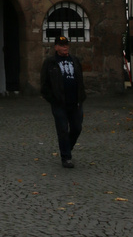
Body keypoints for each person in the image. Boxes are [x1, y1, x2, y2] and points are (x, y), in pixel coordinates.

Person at [40, 33, 86, 169]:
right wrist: (52, 99)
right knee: (62, 130)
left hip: (75, 102)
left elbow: (80, 79)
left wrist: (81, 96)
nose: (65, 47)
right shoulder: (50, 62)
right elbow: (44, 84)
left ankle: (67, 147)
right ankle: (66, 157)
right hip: (59, 103)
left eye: (66, 45)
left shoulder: (75, 60)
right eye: (61, 45)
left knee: (77, 128)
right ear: (56, 47)